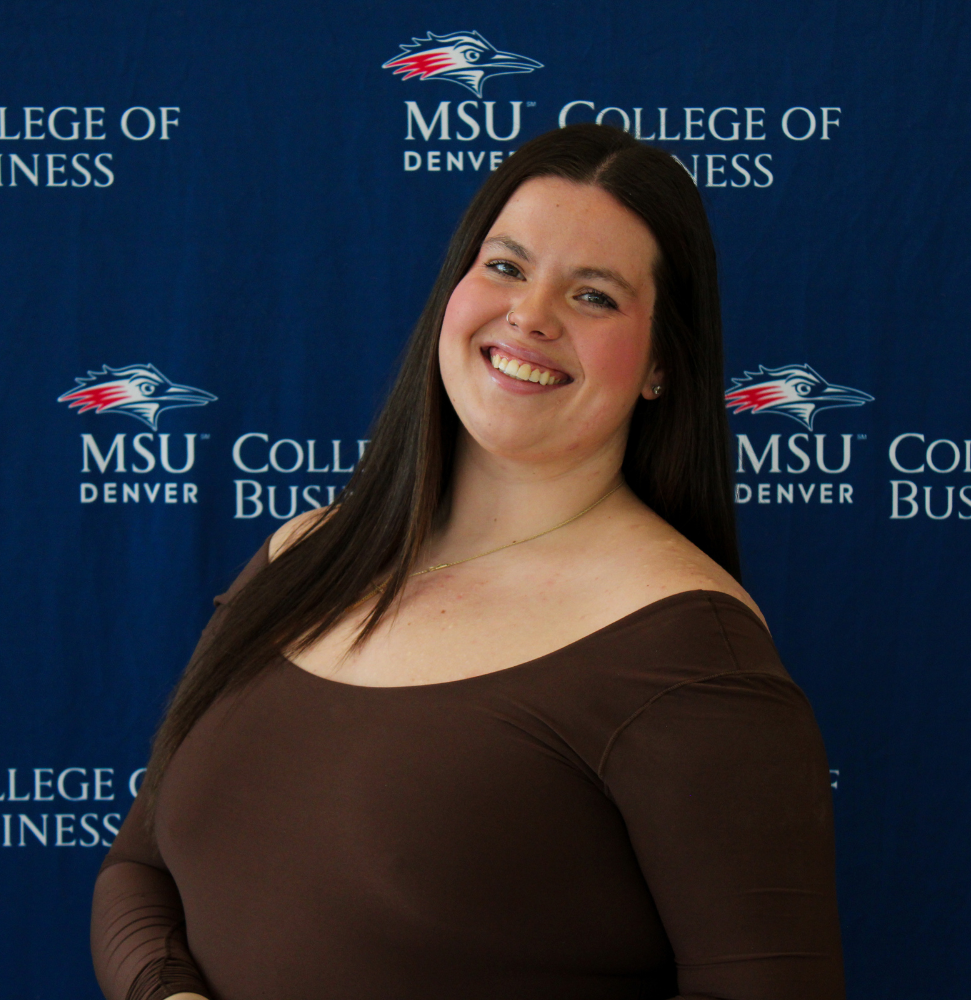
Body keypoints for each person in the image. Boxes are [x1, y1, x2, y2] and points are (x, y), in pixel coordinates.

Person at [91, 123, 845, 1000]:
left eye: (594, 295)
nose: (531, 314)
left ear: (661, 366)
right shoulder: (300, 557)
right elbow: (137, 871)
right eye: (506, 266)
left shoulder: (689, 658)